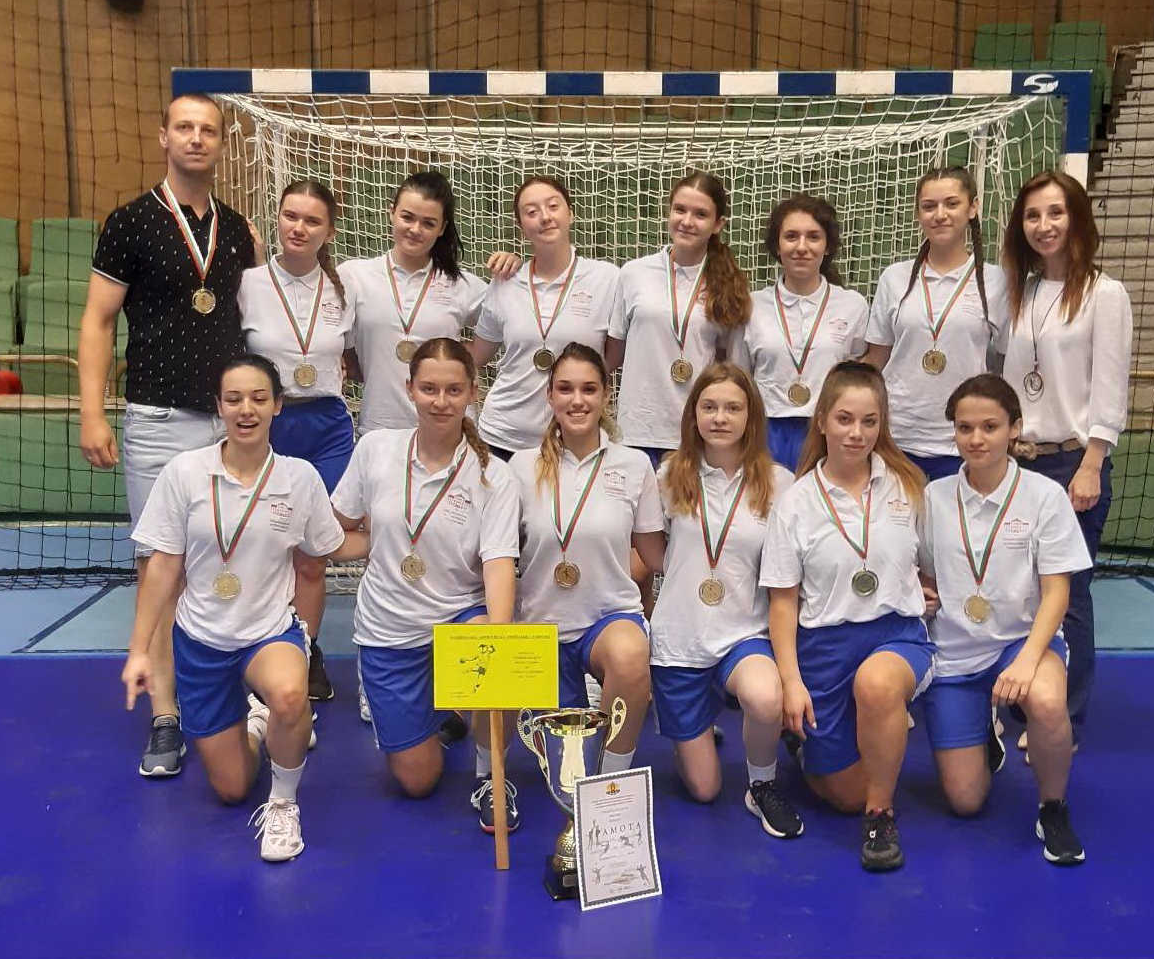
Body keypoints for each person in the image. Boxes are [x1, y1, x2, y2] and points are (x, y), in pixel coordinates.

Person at [78, 92, 261, 777]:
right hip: (156, 420)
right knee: (160, 566)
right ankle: (164, 713)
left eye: (208, 130)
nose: (196, 138)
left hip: (230, 425)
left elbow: (256, 321)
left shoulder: (238, 231)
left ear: (220, 143)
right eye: (184, 127)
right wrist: (91, 412)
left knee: (233, 558)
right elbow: (98, 321)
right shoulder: (128, 223)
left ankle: (232, 696)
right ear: (163, 137)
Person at [120, 355, 356, 861]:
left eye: (258, 398)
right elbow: (162, 567)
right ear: (219, 407)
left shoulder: (300, 478)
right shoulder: (185, 473)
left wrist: (399, 538)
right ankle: (254, 726)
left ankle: (284, 804)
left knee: (290, 695)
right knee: (231, 787)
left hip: (268, 633)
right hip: (201, 642)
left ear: (277, 406)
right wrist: (138, 651)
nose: (246, 409)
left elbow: (330, 548)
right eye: (234, 399)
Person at [329, 338, 523, 828]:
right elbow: (338, 531)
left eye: (454, 390)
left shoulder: (494, 476)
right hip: (390, 631)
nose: (441, 401)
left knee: (493, 644)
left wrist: (498, 637)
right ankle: (443, 711)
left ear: (473, 392)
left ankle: (489, 776)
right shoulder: (375, 449)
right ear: (410, 389)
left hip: (460, 617)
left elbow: (499, 564)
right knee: (418, 782)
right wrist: (368, 541)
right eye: (430, 388)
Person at [761, 361, 933, 872]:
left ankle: (880, 817)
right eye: (844, 419)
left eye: (869, 421)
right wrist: (791, 682)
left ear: (882, 424)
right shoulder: (795, 503)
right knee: (842, 794)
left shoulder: (908, 485)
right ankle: (816, 749)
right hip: (824, 647)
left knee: (877, 685)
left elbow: (933, 565)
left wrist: (930, 592)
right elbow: (783, 602)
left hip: (896, 635)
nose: (857, 433)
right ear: (821, 421)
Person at [917, 374, 1090, 865]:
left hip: (1021, 642)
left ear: (1014, 428)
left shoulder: (1044, 496)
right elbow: (924, 571)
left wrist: (1028, 660)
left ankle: (1053, 808)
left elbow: (1058, 593)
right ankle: (982, 730)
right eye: (964, 428)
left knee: (1047, 701)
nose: (976, 438)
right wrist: (921, 593)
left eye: (989, 427)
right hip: (954, 655)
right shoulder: (933, 497)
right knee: (966, 802)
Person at [998, 170, 1132, 749]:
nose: (1044, 225)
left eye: (1055, 213)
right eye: (1032, 215)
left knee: (1069, 594)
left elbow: (1110, 386)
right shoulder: (1018, 292)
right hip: (1015, 464)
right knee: (1016, 592)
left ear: (1077, 219)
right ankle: (1017, 702)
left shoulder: (1105, 294)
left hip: (1070, 463)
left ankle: (1064, 720)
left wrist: (1092, 463)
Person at [648, 362, 803, 839]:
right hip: (680, 642)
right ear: (693, 414)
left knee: (765, 696)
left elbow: (797, 566)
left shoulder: (779, 483)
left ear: (750, 416)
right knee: (705, 789)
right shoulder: (669, 474)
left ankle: (762, 784)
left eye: (733, 408)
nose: (720, 418)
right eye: (709, 407)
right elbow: (650, 553)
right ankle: (696, 730)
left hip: (743, 633)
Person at [510, 343, 663, 774]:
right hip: (541, 629)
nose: (577, 400)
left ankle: (612, 782)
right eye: (565, 389)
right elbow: (499, 555)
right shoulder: (519, 468)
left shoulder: (634, 465)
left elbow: (655, 555)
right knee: (566, 774)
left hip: (608, 619)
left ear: (606, 394)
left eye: (589, 389)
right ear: (550, 395)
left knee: (630, 654)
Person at [238, 179, 357, 702]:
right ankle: (260, 647)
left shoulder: (346, 287)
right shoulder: (247, 283)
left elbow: (356, 357)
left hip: (328, 427)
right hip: (268, 425)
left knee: (312, 554)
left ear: (329, 231)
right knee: (264, 546)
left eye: (312, 220)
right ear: (277, 218)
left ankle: (307, 651)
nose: (299, 228)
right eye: (291, 216)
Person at [864, 167, 1009, 481]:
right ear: (919, 214)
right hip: (897, 438)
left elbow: (1007, 363)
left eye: (952, 204)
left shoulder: (996, 282)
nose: (940, 215)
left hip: (964, 441)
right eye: (929, 206)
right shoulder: (894, 278)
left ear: (973, 207)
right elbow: (876, 359)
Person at [471, 176, 624, 460]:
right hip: (503, 437)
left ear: (570, 214)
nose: (545, 217)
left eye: (553, 206)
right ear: (521, 228)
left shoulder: (608, 279)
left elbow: (611, 360)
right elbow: (476, 356)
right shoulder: (505, 280)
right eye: (531, 212)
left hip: (573, 438)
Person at [608, 171, 751, 469]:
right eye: (680, 210)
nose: (687, 221)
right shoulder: (634, 273)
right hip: (636, 429)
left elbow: (727, 366)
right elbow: (613, 355)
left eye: (700, 214)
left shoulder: (729, 286)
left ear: (718, 224)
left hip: (695, 432)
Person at [342, 171, 487, 436]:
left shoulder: (462, 284)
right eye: (407, 217)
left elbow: (510, 320)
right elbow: (341, 349)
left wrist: (467, 357)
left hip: (449, 432)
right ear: (391, 213)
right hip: (380, 427)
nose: (415, 229)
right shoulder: (354, 275)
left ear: (442, 228)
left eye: (428, 223)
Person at [731, 194, 868, 472]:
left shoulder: (853, 305)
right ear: (777, 245)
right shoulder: (751, 306)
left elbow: (858, 377)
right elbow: (739, 378)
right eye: (791, 236)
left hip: (828, 431)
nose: (802, 247)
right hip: (765, 431)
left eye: (813, 237)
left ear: (827, 246)